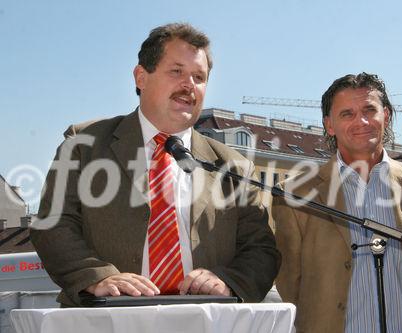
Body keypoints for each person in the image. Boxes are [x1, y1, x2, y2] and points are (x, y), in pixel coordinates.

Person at [30, 23, 280, 307]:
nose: (189, 85)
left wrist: (228, 280)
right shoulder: (84, 143)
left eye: (199, 77)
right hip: (109, 318)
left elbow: (260, 249)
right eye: (176, 72)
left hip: (205, 319)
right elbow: (54, 223)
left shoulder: (233, 166)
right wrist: (96, 278)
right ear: (141, 77)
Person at [273, 73, 402, 333]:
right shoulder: (293, 196)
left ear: (386, 116)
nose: (362, 121)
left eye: (370, 109)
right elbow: (290, 284)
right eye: (347, 113)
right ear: (329, 125)